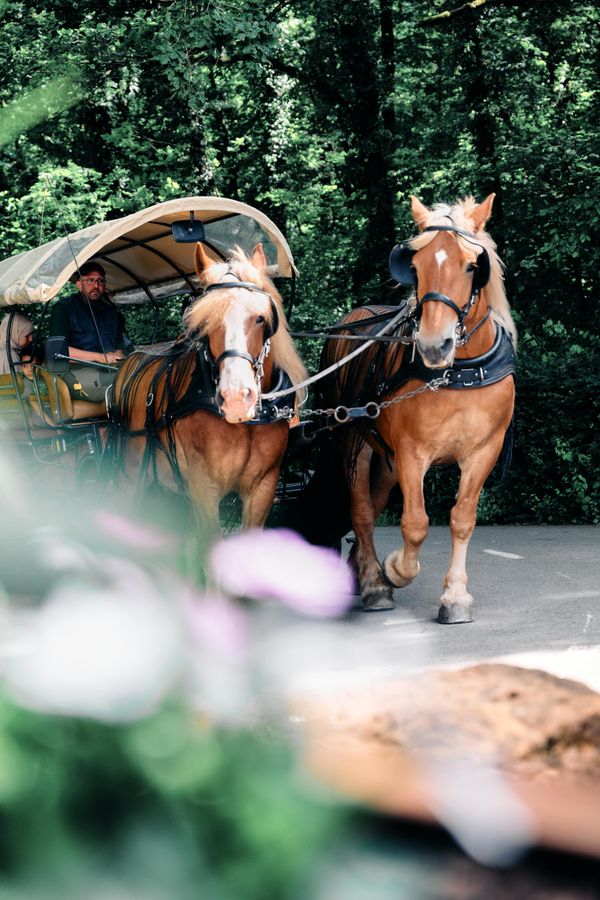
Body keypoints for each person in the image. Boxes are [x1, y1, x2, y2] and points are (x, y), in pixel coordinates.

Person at [48, 261, 131, 402]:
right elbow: (58, 352)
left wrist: (118, 355)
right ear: (79, 284)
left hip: (112, 369)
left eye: (100, 281)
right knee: (124, 384)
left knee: (141, 376)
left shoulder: (112, 311)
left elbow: (120, 347)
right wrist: (100, 357)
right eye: (90, 280)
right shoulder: (64, 308)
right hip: (76, 373)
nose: (96, 286)